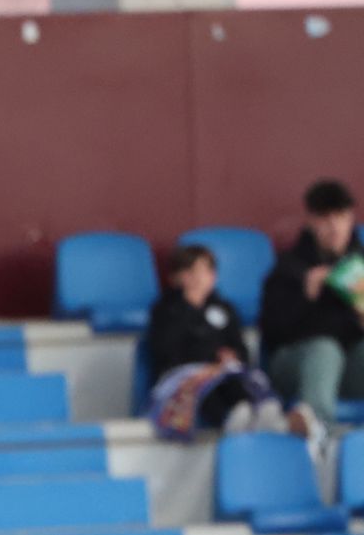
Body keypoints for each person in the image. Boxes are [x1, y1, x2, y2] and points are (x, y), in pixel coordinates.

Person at [146, 245, 316, 442]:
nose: (199, 278)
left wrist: (232, 356)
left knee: (237, 380)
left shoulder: (224, 309)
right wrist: (206, 361)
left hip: (224, 371)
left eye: (206, 271)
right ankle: (239, 421)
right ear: (176, 277)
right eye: (191, 271)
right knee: (206, 388)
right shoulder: (165, 310)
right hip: (187, 374)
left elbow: (240, 347)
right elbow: (165, 350)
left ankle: (265, 417)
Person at [260, 179, 364, 427]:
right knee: (324, 349)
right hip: (295, 367)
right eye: (325, 219)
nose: (334, 227)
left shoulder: (359, 270)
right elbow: (273, 333)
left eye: (341, 217)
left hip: (347, 371)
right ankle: (318, 434)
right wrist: (305, 297)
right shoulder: (289, 267)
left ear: (351, 219)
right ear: (311, 222)